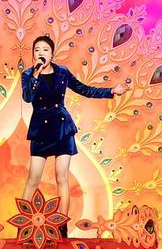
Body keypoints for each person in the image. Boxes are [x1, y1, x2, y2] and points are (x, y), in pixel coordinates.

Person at [20, 35, 130, 237]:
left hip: (61, 127)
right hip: (40, 129)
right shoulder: (28, 74)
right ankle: (23, 225)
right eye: (37, 50)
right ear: (33, 54)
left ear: (52, 53)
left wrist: (111, 91)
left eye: (45, 50)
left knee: (61, 177)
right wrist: (36, 75)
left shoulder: (62, 72)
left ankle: (60, 226)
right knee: (33, 178)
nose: (41, 53)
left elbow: (83, 89)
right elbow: (27, 98)